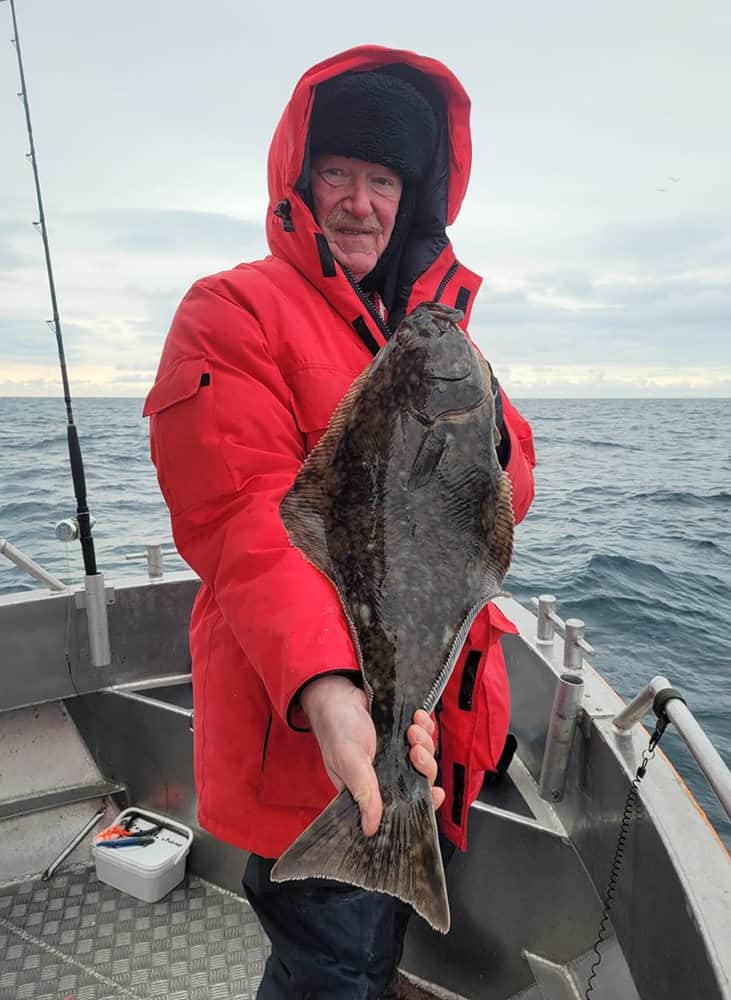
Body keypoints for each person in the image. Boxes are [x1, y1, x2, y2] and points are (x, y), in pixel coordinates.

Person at [144, 45, 536, 1000]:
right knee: (331, 968)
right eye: (337, 174)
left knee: (366, 955)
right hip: (316, 742)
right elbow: (241, 510)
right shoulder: (231, 309)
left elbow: (512, 483)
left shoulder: (433, 330)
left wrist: (473, 432)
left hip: (426, 733)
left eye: (382, 179)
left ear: (412, 198)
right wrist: (327, 686)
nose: (359, 201)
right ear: (300, 180)